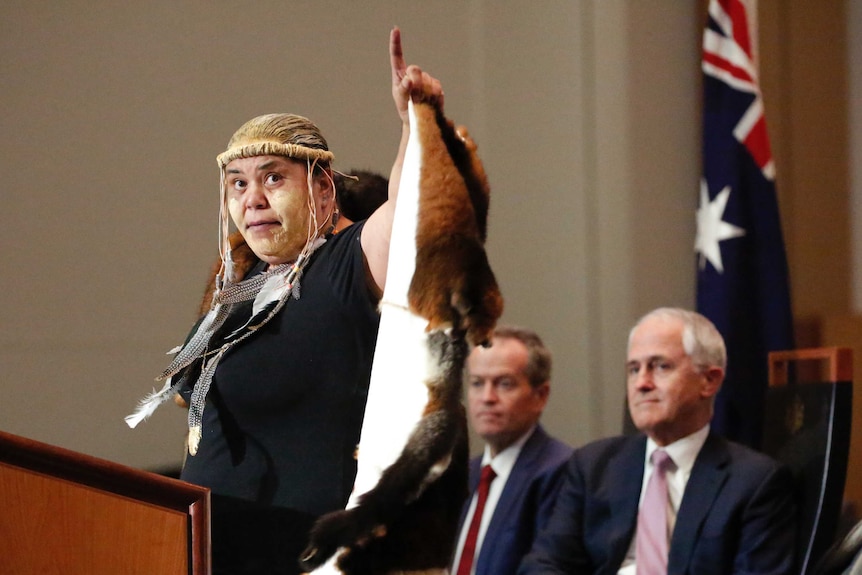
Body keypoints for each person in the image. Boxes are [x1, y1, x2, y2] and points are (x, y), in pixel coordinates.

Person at [126, 28, 444, 575]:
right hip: (217, 547)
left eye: (274, 178)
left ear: (324, 188)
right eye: (237, 184)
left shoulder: (347, 262)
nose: (253, 199)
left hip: (303, 550)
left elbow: (410, 209)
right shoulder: (242, 288)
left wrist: (417, 125)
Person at [519, 307, 797, 575]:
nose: (641, 383)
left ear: (709, 381)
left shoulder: (754, 483)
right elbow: (543, 564)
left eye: (660, 366)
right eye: (633, 369)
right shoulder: (593, 466)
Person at [452, 326, 573, 575]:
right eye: (477, 383)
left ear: (540, 395)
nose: (487, 397)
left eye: (504, 384)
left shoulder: (561, 470)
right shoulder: (465, 475)